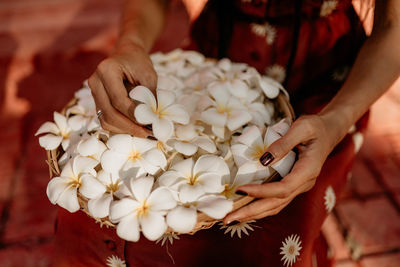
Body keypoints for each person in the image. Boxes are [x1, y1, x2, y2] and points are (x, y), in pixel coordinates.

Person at [53, 0, 400, 266]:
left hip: (328, 90)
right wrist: (130, 43)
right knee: (83, 224)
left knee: (263, 243)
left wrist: (335, 122)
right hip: (212, 77)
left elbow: (393, 26)